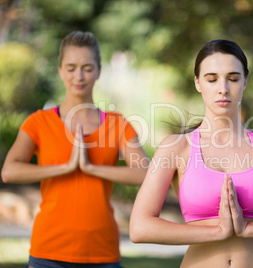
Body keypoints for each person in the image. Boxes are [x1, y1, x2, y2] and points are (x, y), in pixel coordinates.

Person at [130, 39, 253, 267]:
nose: (223, 89)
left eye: (233, 78)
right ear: (198, 83)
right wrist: (217, 231)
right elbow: (140, 228)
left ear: (245, 81)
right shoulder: (176, 147)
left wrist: (249, 228)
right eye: (212, 79)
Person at [1, 31, 149, 267]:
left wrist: (90, 168)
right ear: (60, 71)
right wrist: (66, 167)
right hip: (48, 252)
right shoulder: (39, 122)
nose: (78, 76)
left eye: (87, 68)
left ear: (99, 71)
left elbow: (145, 173)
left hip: (102, 251)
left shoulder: (117, 124)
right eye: (71, 68)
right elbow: (9, 172)